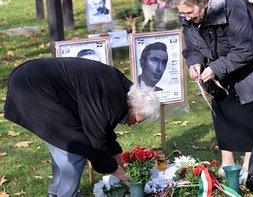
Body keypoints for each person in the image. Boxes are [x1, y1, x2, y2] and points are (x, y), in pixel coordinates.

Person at [173, 0, 253, 184]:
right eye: (182, 13)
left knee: (251, 117)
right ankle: (228, 164)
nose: (186, 18)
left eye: (190, 12)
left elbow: (245, 50)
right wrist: (194, 63)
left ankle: (250, 168)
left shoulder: (232, 9)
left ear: (204, 3)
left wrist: (214, 68)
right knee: (223, 112)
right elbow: (192, 47)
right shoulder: (187, 16)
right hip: (222, 70)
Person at [4, 58, 160, 197]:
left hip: (31, 77)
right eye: (138, 119)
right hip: (32, 87)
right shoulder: (114, 102)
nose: (135, 124)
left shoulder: (123, 93)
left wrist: (123, 163)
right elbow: (96, 142)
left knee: (63, 144)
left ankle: (55, 193)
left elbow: (104, 132)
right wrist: (123, 176)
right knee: (75, 151)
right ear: (132, 106)